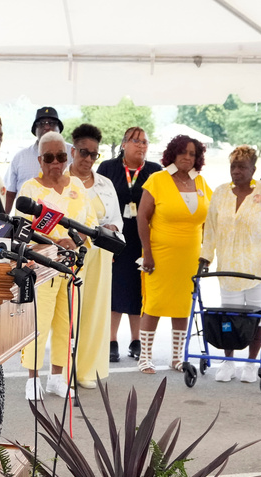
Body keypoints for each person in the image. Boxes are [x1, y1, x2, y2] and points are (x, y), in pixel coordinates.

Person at [200, 145, 261, 383]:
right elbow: (210, 228)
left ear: (253, 168)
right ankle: (228, 361)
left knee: (257, 318)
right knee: (228, 319)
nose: (236, 171)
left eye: (242, 167)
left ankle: (253, 364)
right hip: (229, 267)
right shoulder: (221, 193)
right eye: (233, 166)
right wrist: (205, 257)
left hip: (260, 267)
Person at [16, 131, 97, 400]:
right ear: (39, 160)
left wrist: (76, 239)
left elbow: (89, 225)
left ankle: (57, 377)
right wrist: (51, 241)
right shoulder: (30, 188)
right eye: (49, 157)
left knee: (66, 324)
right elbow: (21, 230)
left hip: (71, 267)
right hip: (42, 268)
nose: (56, 163)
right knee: (38, 324)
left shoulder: (77, 187)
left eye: (61, 157)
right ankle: (32, 378)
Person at [137, 134, 212, 374]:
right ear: (173, 154)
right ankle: (145, 357)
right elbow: (142, 217)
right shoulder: (157, 179)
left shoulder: (199, 182)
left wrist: (207, 253)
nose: (187, 158)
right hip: (159, 253)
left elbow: (210, 218)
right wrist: (147, 252)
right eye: (183, 152)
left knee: (183, 306)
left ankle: (177, 357)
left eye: (192, 154)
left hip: (190, 255)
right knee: (154, 304)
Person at [98, 126, 162, 363]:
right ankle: (111, 340)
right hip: (116, 236)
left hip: (143, 238)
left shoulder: (155, 171)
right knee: (115, 289)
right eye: (135, 141)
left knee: (138, 289)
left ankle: (137, 341)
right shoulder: (108, 168)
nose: (141, 145)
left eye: (144, 141)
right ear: (123, 144)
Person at [67, 123, 120, 389]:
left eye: (93, 154)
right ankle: (62, 371)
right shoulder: (61, 182)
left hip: (99, 255)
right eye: (83, 152)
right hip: (68, 253)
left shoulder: (105, 184)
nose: (88, 159)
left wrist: (112, 229)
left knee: (95, 313)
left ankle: (87, 371)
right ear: (72, 151)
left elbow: (117, 221)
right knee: (68, 313)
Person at [4, 106, 65, 213]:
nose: (47, 127)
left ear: (59, 128)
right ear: (34, 130)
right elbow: (10, 192)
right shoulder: (20, 157)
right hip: (27, 219)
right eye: (41, 123)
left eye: (51, 123)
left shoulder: (72, 152)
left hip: (65, 218)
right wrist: (4, 218)